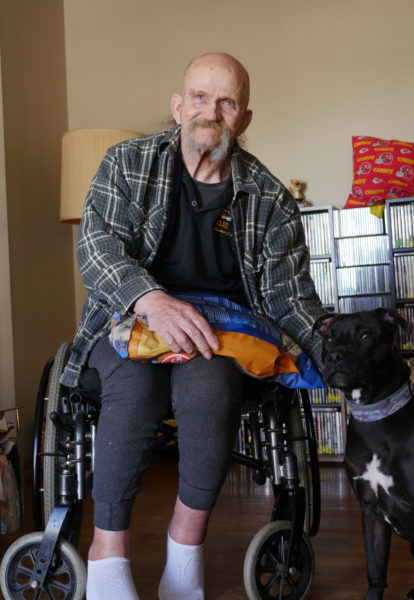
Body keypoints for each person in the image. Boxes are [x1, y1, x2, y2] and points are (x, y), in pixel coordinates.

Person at [60, 52, 325, 600]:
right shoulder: (127, 163)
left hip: (221, 334)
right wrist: (152, 300)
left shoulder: (271, 199)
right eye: (200, 98)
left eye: (227, 101)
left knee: (211, 384)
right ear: (178, 107)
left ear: (244, 119)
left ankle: (184, 556)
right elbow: (96, 246)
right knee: (133, 385)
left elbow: (290, 299)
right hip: (129, 319)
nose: (212, 112)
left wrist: (340, 354)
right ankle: (108, 557)